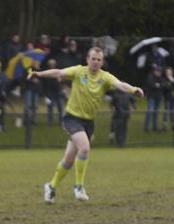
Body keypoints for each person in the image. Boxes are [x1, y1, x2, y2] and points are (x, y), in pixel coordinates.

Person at [28, 47, 144, 203]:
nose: (95, 62)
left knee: (68, 160)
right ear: (87, 59)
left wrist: (134, 89)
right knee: (85, 148)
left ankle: (51, 186)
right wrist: (38, 73)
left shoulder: (105, 77)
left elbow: (120, 85)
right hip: (72, 118)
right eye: (93, 58)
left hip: (88, 122)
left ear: (102, 62)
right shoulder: (78, 71)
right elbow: (58, 72)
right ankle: (79, 187)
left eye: (99, 59)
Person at [162, 66, 174, 132]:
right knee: (166, 112)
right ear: (166, 73)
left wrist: (173, 81)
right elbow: (165, 87)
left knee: (173, 112)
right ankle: (164, 126)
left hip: (173, 99)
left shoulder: (173, 80)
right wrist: (171, 84)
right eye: (167, 72)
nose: (169, 73)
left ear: (172, 73)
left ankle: (173, 126)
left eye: (170, 72)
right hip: (167, 98)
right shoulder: (164, 80)